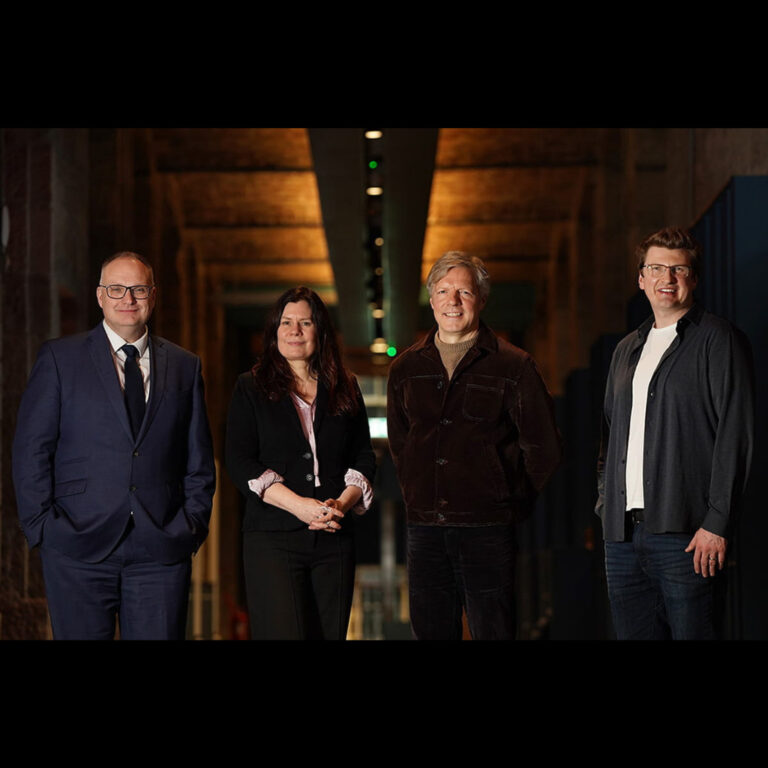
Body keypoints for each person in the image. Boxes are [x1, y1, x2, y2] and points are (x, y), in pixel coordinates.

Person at [12, 251, 215, 640]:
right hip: (75, 545)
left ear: (153, 296)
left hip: (161, 549)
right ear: (99, 296)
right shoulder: (60, 358)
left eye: (138, 289)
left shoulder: (185, 366)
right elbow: (31, 450)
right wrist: (42, 527)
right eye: (116, 289)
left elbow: (198, 459)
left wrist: (191, 526)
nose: (128, 299)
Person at [387, 251, 561, 640]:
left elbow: (544, 448)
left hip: (488, 529)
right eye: (444, 291)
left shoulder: (514, 366)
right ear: (431, 299)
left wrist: (506, 500)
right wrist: (418, 493)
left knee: (493, 631)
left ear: (481, 299)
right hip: (425, 529)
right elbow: (402, 444)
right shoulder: (406, 369)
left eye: (464, 292)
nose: (453, 302)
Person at [596, 227, 754, 640]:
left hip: (689, 536)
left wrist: (717, 524)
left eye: (679, 269)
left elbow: (735, 436)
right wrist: (604, 503)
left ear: (694, 279)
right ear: (641, 279)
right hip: (623, 538)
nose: (667, 278)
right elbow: (610, 436)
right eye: (657, 268)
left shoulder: (718, 340)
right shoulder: (626, 349)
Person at [225, 286, 376, 640]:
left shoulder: (346, 387)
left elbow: (364, 456)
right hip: (273, 539)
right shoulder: (250, 387)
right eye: (286, 322)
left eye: (305, 323)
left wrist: (341, 502)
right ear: (274, 331)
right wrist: (300, 507)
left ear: (319, 331)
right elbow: (240, 460)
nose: (294, 331)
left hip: (334, 539)